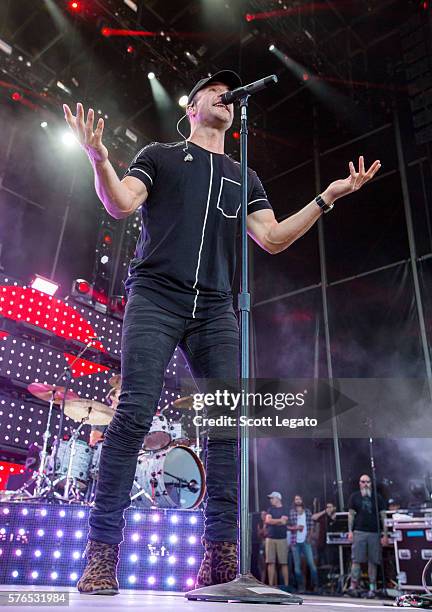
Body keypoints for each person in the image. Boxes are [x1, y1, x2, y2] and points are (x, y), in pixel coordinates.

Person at [63, 69, 381, 595]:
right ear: (191, 106)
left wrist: (328, 196)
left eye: (228, 91)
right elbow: (120, 202)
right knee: (134, 413)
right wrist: (98, 156)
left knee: (228, 426)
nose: (224, 95)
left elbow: (273, 238)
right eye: (214, 88)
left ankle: (219, 561)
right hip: (157, 296)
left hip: (215, 308)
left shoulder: (244, 176)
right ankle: (101, 555)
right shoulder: (161, 155)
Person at [348, 474, 388, 598]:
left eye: (368, 482)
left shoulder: (377, 497)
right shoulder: (354, 497)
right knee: (356, 560)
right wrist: (350, 531)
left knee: (373, 561)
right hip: (359, 532)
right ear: (359, 483)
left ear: (371, 483)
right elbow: (351, 515)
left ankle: (372, 588)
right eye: (363, 481)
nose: (365, 484)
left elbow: (383, 516)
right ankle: (353, 586)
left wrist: (385, 534)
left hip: (374, 532)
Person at [288, 495, 319, 592]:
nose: (297, 501)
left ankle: (315, 586)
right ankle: (301, 587)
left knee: (311, 564)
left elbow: (311, 526)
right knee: (297, 567)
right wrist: (295, 528)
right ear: (294, 501)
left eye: (299, 499)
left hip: (306, 542)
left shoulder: (307, 512)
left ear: (302, 501)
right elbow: (288, 526)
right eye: (296, 499)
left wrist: (309, 538)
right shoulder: (292, 512)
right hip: (295, 542)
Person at [265, 492, 289, 586]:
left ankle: (286, 586)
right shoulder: (270, 509)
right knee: (270, 562)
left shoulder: (285, 509)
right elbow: (267, 520)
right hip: (270, 538)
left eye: (272, 498)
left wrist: (272, 521)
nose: (271, 500)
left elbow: (284, 522)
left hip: (282, 538)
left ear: (278, 498)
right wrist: (279, 520)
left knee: (283, 562)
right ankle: (271, 585)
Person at [312, 501, 338, 567]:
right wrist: (324, 511)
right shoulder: (323, 516)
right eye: (327, 507)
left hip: (334, 543)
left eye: (330, 507)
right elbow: (313, 517)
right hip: (322, 543)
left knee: (332, 560)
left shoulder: (337, 516)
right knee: (323, 562)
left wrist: (332, 515)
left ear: (334, 508)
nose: (328, 508)